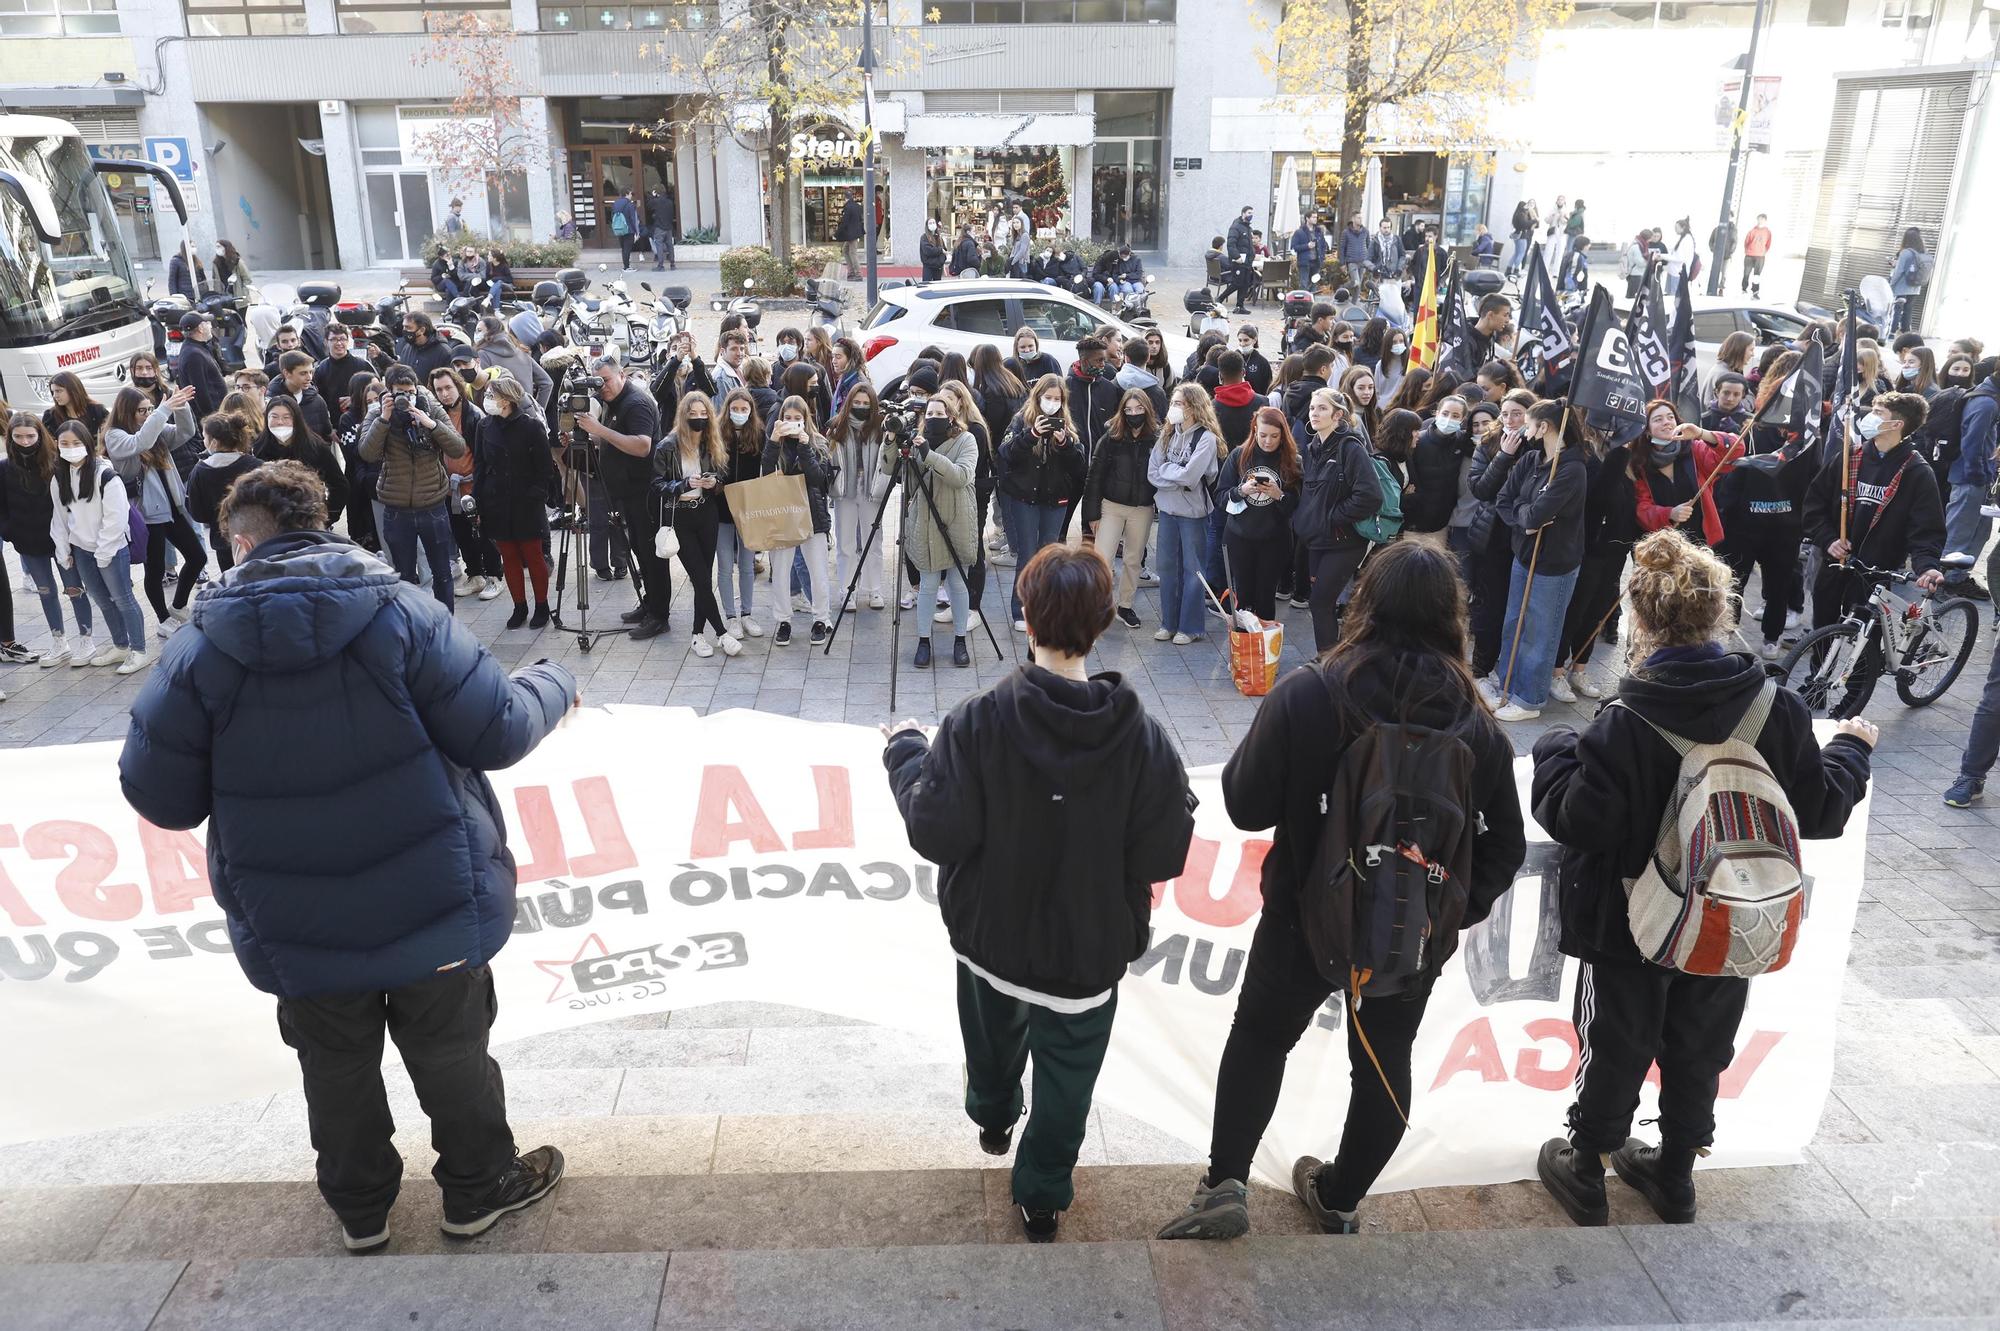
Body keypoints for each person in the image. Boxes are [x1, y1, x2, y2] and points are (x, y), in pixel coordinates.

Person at [119, 458, 577, 1253]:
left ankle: (361, 1212)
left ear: (238, 542)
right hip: (428, 891)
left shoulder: (199, 648)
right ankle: (477, 1188)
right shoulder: (401, 610)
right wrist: (555, 683)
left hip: (295, 914)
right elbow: (497, 728)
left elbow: (159, 794)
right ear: (323, 521)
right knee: (452, 1051)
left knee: (334, 1066)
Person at [1157, 538, 1526, 1241]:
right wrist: (1441, 911)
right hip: (1409, 932)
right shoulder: (1477, 726)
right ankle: (1340, 1195)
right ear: (1452, 616)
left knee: (1263, 1036)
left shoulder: (1314, 689)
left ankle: (1225, 1184)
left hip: (1303, 910)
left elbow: (1242, 802)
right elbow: (1504, 846)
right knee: (1385, 1060)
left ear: (1366, 601)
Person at [1529, 528, 1872, 1228]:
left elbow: (1578, 817)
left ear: (1641, 622)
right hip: (1731, 912)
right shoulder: (1773, 705)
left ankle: (1588, 1166)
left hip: (1633, 918)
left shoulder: (1626, 717)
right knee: (1701, 1041)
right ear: (1720, 612)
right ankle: (1676, 1173)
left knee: (1616, 1039)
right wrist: (1851, 751)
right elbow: (1822, 807)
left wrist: (1554, 748)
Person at [883, 542, 1195, 1242]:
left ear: (1025, 619)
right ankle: (1043, 1195)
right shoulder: (1144, 741)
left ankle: (993, 1114)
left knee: (991, 1040)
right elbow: (1163, 852)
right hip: (1086, 954)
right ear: (1103, 623)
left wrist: (905, 752)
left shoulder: (976, 721)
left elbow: (934, 829)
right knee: (1068, 1083)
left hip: (991, 936)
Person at [1480, 399, 1590, 722]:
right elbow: (1505, 500)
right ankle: (1509, 685)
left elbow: (1541, 511)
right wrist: (1525, 519)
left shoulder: (1572, 468)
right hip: (1523, 555)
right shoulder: (1531, 459)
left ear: (1544, 427)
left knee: (1540, 632)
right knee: (1515, 623)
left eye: (1529, 424)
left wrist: (1531, 514)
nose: (1525, 430)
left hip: (1554, 563)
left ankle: (1529, 699)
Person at [1804, 390, 1946, 631]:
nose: (1870, 416)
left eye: (1878, 413)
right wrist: (1827, 539)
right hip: (1835, 561)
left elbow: (1926, 528)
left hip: (1876, 570)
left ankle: (1864, 670)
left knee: (1868, 634)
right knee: (1822, 629)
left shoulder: (1917, 472)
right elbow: (1813, 504)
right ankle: (1819, 670)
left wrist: (1927, 565)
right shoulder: (1849, 457)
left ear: (1896, 424)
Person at [573, 356, 670, 638]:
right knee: (639, 550)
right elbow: (616, 438)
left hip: (645, 492)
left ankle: (659, 616)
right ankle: (649, 604)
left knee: (652, 556)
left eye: (606, 380)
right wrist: (591, 439)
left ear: (622, 376)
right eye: (597, 381)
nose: (601, 387)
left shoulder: (635, 403)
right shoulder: (612, 402)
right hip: (626, 492)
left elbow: (642, 446)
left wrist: (599, 429)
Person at [359, 365, 467, 610]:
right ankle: (414, 626)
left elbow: (458, 448)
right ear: (388, 392)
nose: (406, 398)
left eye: (410, 392)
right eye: (400, 393)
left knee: (442, 573)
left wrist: (431, 425)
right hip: (397, 509)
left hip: (433, 506)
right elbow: (367, 453)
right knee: (405, 577)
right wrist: (384, 420)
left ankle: (446, 626)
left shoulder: (430, 406)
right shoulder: (377, 412)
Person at [48, 419, 148, 674]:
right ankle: (120, 645)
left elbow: (116, 518)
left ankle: (139, 651)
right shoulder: (59, 477)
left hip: (111, 548)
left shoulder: (105, 475)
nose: (70, 448)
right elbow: (60, 517)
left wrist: (104, 552)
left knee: (123, 598)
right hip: (81, 549)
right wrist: (63, 550)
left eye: (76, 443)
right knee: (102, 600)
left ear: (88, 444)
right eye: (64, 444)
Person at [888, 392, 979, 668]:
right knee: (927, 585)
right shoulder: (916, 442)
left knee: (957, 583)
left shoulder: (967, 440)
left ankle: (960, 640)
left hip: (956, 518)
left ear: (951, 416)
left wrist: (928, 454)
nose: (934, 418)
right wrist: (892, 443)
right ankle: (923, 641)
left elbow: (961, 476)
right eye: (929, 414)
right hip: (926, 520)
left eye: (940, 413)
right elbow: (904, 481)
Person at [470, 373, 560, 632]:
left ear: (507, 399)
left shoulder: (531, 426)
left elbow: (544, 468)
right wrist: (477, 499)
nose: (487, 400)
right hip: (495, 500)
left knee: (533, 555)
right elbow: (480, 464)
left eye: (492, 396)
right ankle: (519, 605)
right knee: (507, 555)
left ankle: (542, 605)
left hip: (525, 501)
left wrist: (536, 496)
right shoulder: (485, 426)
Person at [996, 375, 1086, 631]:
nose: (1052, 403)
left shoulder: (1067, 426)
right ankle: (1021, 609)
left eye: (1057, 399)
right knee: (1027, 554)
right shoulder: (1021, 420)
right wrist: (1031, 434)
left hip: (1055, 500)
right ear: (1038, 397)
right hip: (1025, 498)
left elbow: (1080, 466)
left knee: (1049, 555)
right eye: (1048, 398)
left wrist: (1065, 443)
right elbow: (1006, 454)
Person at [1294, 387, 1381, 652]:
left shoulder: (1350, 446)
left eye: (1322, 408)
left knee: (1320, 602)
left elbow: (1370, 495)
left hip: (1343, 540)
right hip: (1318, 540)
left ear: (1338, 414)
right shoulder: (1313, 447)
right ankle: (1331, 660)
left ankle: (1329, 664)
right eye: (1312, 408)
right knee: (1321, 604)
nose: (1315, 413)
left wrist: (1333, 517)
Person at [652, 392, 735, 657]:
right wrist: (683, 485)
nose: (699, 419)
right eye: (693, 414)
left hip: (706, 512)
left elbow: (721, 474)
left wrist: (713, 483)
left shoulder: (711, 442)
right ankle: (722, 633)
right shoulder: (668, 445)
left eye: (703, 414)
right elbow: (656, 485)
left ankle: (698, 634)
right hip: (681, 516)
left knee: (704, 577)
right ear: (684, 415)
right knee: (699, 577)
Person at [1, 414, 88, 665]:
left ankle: (86, 639)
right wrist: (10, 531)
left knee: (75, 590)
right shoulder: (4, 468)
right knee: (46, 592)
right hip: (28, 543)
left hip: (61, 541)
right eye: (18, 436)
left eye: (30, 436)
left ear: (40, 435)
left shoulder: (56, 464)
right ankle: (59, 641)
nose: (25, 442)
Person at [1148, 384, 1222, 645]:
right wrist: (1176, 474)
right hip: (1167, 509)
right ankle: (1169, 622)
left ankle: (1190, 627)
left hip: (1193, 512)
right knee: (1167, 568)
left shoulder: (1206, 438)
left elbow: (1192, 476)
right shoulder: (1167, 435)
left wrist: (1171, 472)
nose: (1174, 408)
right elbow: (1153, 473)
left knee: (1193, 570)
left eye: (1179, 403)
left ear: (1194, 407)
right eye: (1174, 403)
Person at [1081, 388, 1158, 629]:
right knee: (1102, 559)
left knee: (1133, 559)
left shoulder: (1156, 438)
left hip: (1142, 508)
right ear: (1122, 411)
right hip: (1112, 506)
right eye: (1128, 409)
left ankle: (1125, 606)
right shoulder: (1111, 437)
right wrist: (1091, 514)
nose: (1134, 414)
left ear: (1146, 409)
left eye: (1138, 408)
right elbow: (1094, 476)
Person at [763, 394, 837, 647]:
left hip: (812, 515)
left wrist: (805, 446)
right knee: (781, 571)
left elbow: (818, 479)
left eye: (797, 419)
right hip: (783, 515)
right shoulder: (776, 442)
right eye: (787, 418)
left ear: (806, 420)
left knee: (818, 571)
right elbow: (765, 472)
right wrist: (774, 440)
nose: (792, 423)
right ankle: (783, 621)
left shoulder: (818, 442)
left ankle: (821, 619)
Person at [1219, 406, 1303, 623]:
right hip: (1239, 536)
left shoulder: (1293, 461)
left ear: (1283, 435)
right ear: (1254, 430)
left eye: (1274, 436)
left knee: (1266, 598)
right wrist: (1241, 491)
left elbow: (1296, 507)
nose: (1267, 441)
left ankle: (1263, 650)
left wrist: (1279, 495)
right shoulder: (1239, 455)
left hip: (1274, 539)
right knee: (1244, 596)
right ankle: (1245, 650)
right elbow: (1220, 496)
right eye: (1262, 435)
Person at [1632, 400, 1736, 548]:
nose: (1666, 422)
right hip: (1663, 548)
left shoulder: (1695, 449)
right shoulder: (1639, 462)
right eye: (1658, 419)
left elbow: (1735, 451)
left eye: (1670, 417)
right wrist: (1670, 514)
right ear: (1647, 429)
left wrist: (1701, 433)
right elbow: (1641, 509)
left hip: (1702, 543)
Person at [712, 387, 769, 633]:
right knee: (725, 566)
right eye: (734, 409)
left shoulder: (758, 433)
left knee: (747, 565)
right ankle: (730, 616)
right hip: (721, 508)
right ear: (727, 410)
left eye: (743, 409)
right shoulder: (716, 433)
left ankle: (747, 613)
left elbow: (766, 465)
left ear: (751, 411)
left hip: (748, 507)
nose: (739, 413)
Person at [1943, 357, 1999, 602]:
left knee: (1979, 531)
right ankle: (1947, 582)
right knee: (1960, 533)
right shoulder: (1986, 403)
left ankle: (1958, 578)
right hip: (1971, 478)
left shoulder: (1987, 397)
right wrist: (1979, 476)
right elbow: (1972, 445)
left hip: (1977, 477)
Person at [254, 394, 350, 531]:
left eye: (286, 417)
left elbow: (340, 485)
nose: (280, 422)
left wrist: (326, 518)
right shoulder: (258, 447)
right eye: (274, 417)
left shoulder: (315, 446)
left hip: (309, 520)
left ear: (296, 419)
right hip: (273, 523)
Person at [188, 412, 265, 574]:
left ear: (214, 442)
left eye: (205, 437)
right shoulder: (256, 466)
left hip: (223, 540)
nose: (204, 441)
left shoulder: (200, 471)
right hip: (258, 537)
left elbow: (197, 513)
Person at [176, 312, 228, 420]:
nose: (210, 326)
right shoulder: (194, 355)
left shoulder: (197, 347)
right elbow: (200, 392)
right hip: (211, 419)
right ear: (200, 328)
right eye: (207, 323)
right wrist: (211, 418)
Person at [1889, 227, 1932, 335]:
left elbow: (1899, 271)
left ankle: (1892, 332)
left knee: (1897, 310)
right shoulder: (1923, 252)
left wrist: (1891, 284)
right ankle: (1905, 332)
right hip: (1915, 287)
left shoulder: (1905, 252)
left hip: (1902, 287)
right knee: (1908, 311)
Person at [43, 372, 109, 440]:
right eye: (53, 392)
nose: (54, 396)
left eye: (58, 391)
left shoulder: (97, 411)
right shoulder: (50, 416)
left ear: (73, 390)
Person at [396, 313, 455, 383]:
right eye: (404, 327)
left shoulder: (443, 352)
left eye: (408, 327)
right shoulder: (407, 347)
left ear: (422, 330)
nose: (404, 331)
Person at [647, 181, 678, 271]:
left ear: (656, 192)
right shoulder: (669, 202)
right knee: (670, 245)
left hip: (659, 227)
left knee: (659, 245)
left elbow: (648, 206)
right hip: (669, 227)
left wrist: (652, 196)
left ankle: (661, 266)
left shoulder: (656, 202)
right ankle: (672, 264)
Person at [1508, 197, 1540, 278]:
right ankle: (1516, 270)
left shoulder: (1516, 214)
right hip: (1522, 236)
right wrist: (1534, 221)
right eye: (1526, 205)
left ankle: (1508, 269)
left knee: (1516, 253)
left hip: (1517, 235)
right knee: (1521, 253)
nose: (1527, 207)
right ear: (1522, 206)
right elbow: (1524, 224)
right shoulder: (1521, 214)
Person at [610, 188, 641, 270]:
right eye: (631, 194)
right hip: (628, 229)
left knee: (623, 248)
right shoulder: (630, 205)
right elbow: (633, 219)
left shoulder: (615, 203)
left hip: (619, 228)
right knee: (627, 248)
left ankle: (626, 265)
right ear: (627, 194)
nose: (631, 196)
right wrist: (637, 232)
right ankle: (626, 267)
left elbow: (612, 216)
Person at [1741, 214, 1772, 296]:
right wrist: (1748, 250)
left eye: (1762, 219)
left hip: (1760, 256)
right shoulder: (1752, 231)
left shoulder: (1767, 232)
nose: (1760, 221)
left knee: (1757, 275)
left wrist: (1763, 251)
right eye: (1759, 219)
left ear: (1765, 221)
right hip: (1749, 255)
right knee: (1746, 273)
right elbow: (1746, 242)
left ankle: (1755, 291)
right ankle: (1744, 289)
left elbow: (1768, 244)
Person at [835, 190, 865, 274]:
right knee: (845, 250)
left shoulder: (848, 207)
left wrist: (837, 233)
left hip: (851, 234)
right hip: (855, 232)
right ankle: (851, 270)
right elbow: (860, 219)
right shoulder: (857, 206)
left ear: (845, 198)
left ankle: (857, 272)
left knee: (852, 252)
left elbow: (845, 222)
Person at [919, 218, 947, 282]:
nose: (932, 224)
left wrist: (941, 261)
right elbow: (928, 251)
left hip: (938, 267)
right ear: (927, 226)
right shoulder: (924, 237)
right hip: (928, 267)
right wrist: (940, 250)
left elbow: (944, 250)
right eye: (930, 223)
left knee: (937, 286)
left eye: (933, 223)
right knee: (927, 285)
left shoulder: (939, 237)